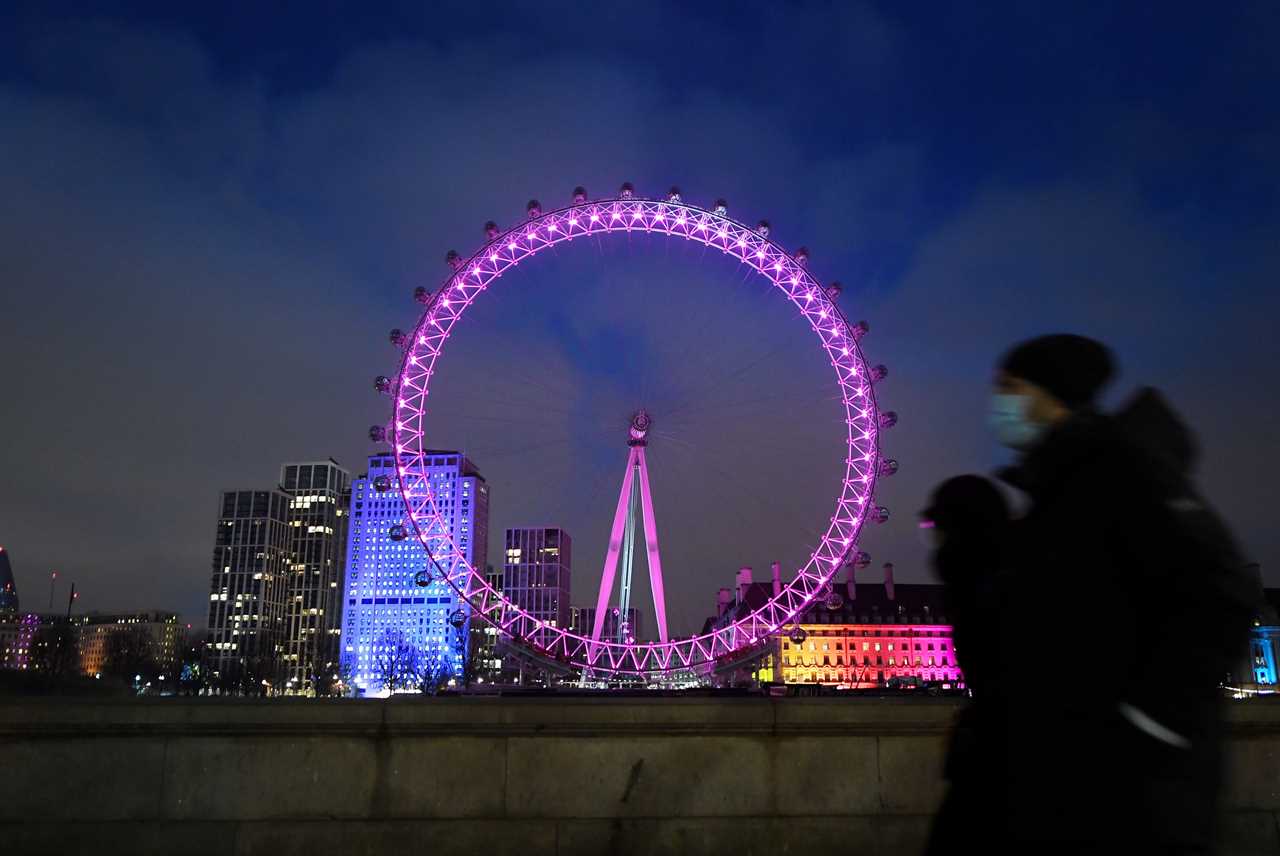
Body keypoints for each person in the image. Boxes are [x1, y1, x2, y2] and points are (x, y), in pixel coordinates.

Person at [985, 333, 1257, 854]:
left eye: (1011, 386)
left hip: (1133, 794)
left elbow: (1218, 598)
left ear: (1049, 393)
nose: (999, 401)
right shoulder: (1055, 488)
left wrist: (1142, 731)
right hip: (1074, 781)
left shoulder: (1122, 472)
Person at [920, 474, 1011, 855]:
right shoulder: (984, 579)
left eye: (935, 526)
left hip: (1007, 763)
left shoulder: (987, 587)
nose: (932, 537)